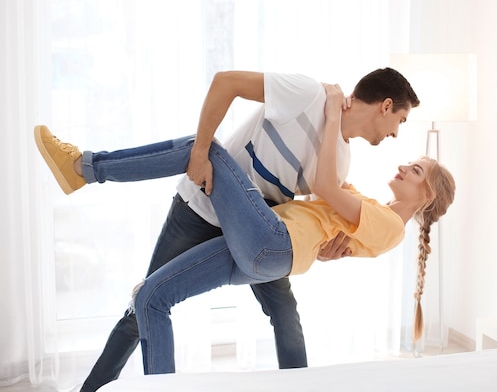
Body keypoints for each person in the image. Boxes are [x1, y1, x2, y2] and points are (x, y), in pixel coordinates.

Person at [34, 69, 420, 391]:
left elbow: (310, 217)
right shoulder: (308, 95)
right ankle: (91, 389)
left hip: (257, 228)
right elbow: (226, 83)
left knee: (284, 312)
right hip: (201, 208)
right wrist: (200, 154)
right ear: (386, 106)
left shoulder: (341, 162)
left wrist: (330, 248)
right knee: (144, 307)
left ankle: (85, 168)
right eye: (400, 120)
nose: (396, 134)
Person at [132, 85, 455, 374]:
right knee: (151, 294)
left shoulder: (389, 226)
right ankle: (297, 381)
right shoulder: (375, 210)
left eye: (414, 171)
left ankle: (90, 168)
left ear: (427, 196)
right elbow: (326, 193)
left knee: (209, 151)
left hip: (274, 240)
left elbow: (325, 185)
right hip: (272, 249)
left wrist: (331, 116)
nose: (402, 167)